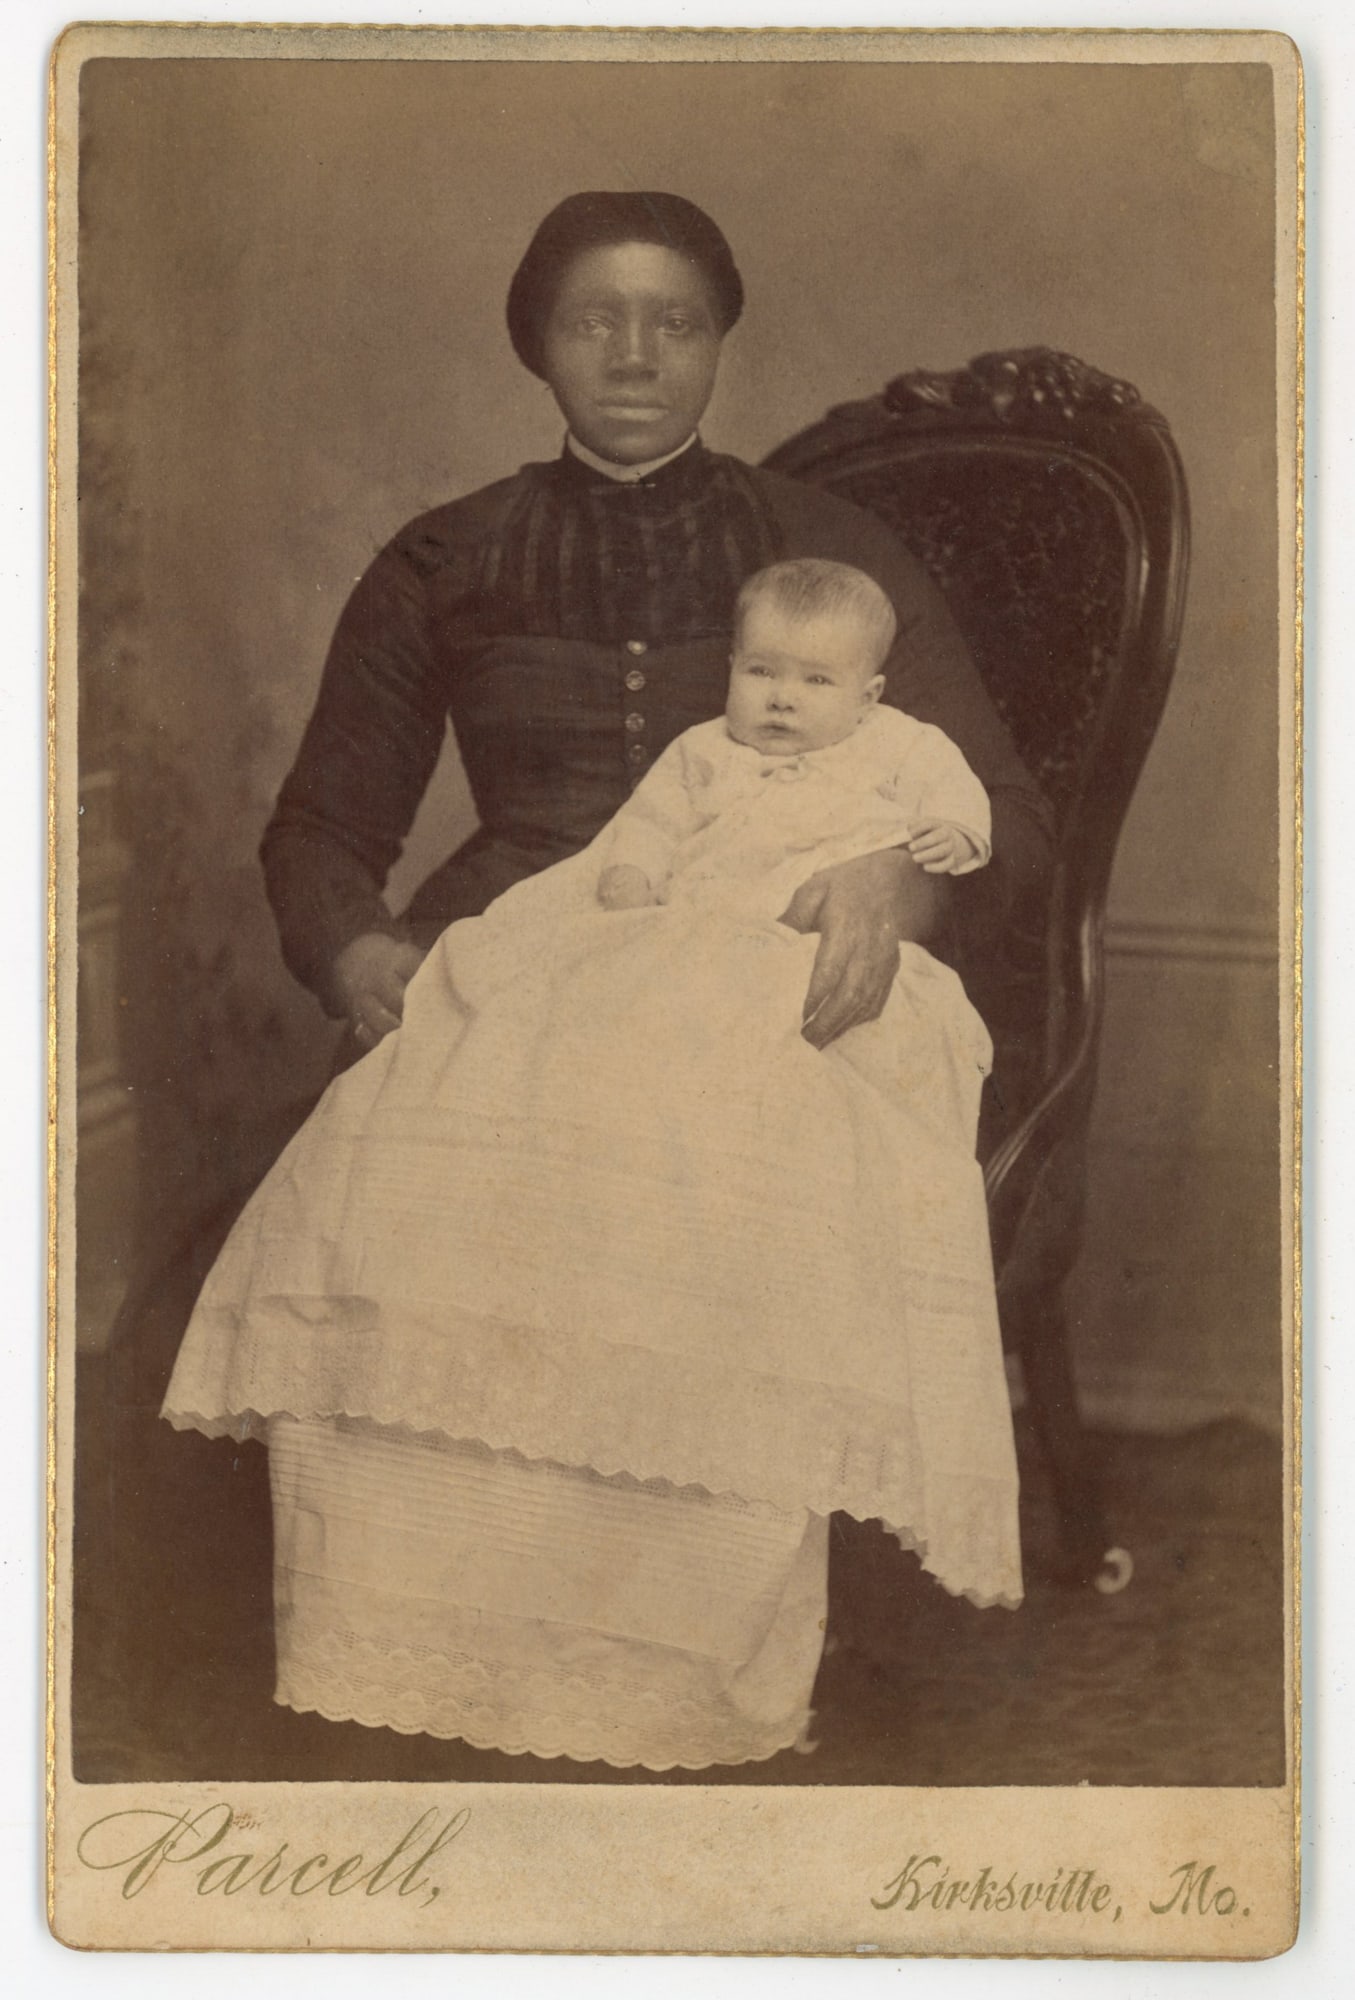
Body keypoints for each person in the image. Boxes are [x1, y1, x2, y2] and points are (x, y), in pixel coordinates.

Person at [162, 557, 1022, 1771]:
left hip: (805, 960)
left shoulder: (893, 730)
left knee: (707, 1131)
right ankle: (427, 1616)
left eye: (810, 680)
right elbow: (628, 842)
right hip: (649, 945)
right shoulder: (542, 632)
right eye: (758, 671)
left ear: (868, 686)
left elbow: (987, 823)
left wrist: (915, 860)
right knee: (433, 1123)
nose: (777, 699)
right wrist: (595, 894)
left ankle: (671, 1647)